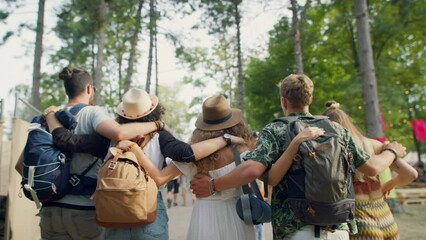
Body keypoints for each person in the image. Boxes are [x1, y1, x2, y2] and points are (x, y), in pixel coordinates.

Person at [190, 74, 407, 240]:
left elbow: (253, 170)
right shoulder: (336, 129)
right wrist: (392, 151)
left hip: (295, 228)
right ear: (310, 98)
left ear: (284, 101)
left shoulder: (276, 130)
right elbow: (373, 168)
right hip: (337, 228)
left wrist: (213, 185)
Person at [44, 90, 245, 240]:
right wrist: (226, 139)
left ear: (122, 114)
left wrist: (51, 116)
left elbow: (66, 141)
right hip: (148, 207)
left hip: (112, 208)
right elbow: (187, 153)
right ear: (154, 112)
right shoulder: (161, 137)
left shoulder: (109, 139)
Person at [15, 67, 159, 240]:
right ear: (89, 88)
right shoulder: (91, 113)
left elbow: (19, 165)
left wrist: (54, 185)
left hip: (49, 212)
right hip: (84, 211)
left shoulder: (46, 119)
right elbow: (119, 133)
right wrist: (157, 125)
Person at [322, 100, 418, 240]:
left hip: (360, 225)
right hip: (387, 221)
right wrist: (390, 184)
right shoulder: (375, 145)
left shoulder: (332, 150)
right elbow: (411, 174)